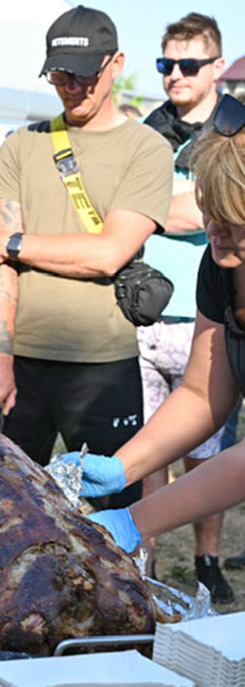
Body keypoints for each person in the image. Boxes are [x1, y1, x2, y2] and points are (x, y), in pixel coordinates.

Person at [0, 5, 173, 510]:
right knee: (3, 511)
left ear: (116, 64)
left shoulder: (148, 148)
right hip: (20, 364)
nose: (72, 86)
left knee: (110, 515)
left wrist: (16, 243)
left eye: (84, 75)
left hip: (103, 366)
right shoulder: (20, 145)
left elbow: (108, 254)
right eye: (59, 75)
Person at [62, 95, 245, 569]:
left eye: (232, 220)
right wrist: (124, 466)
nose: (213, 231)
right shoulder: (221, 266)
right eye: (208, 210)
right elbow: (204, 393)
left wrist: (134, 520)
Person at [137, 13, 233, 601]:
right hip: (152, 312)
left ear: (217, 68)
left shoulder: (231, 134)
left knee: (208, 453)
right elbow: (127, 207)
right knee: (158, 444)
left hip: (210, 318)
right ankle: (141, 555)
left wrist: (176, 206)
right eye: (166, 64)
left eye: (188, 64)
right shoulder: (148, 131)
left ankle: (206, 559)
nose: (175, 75)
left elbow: (203, 210)